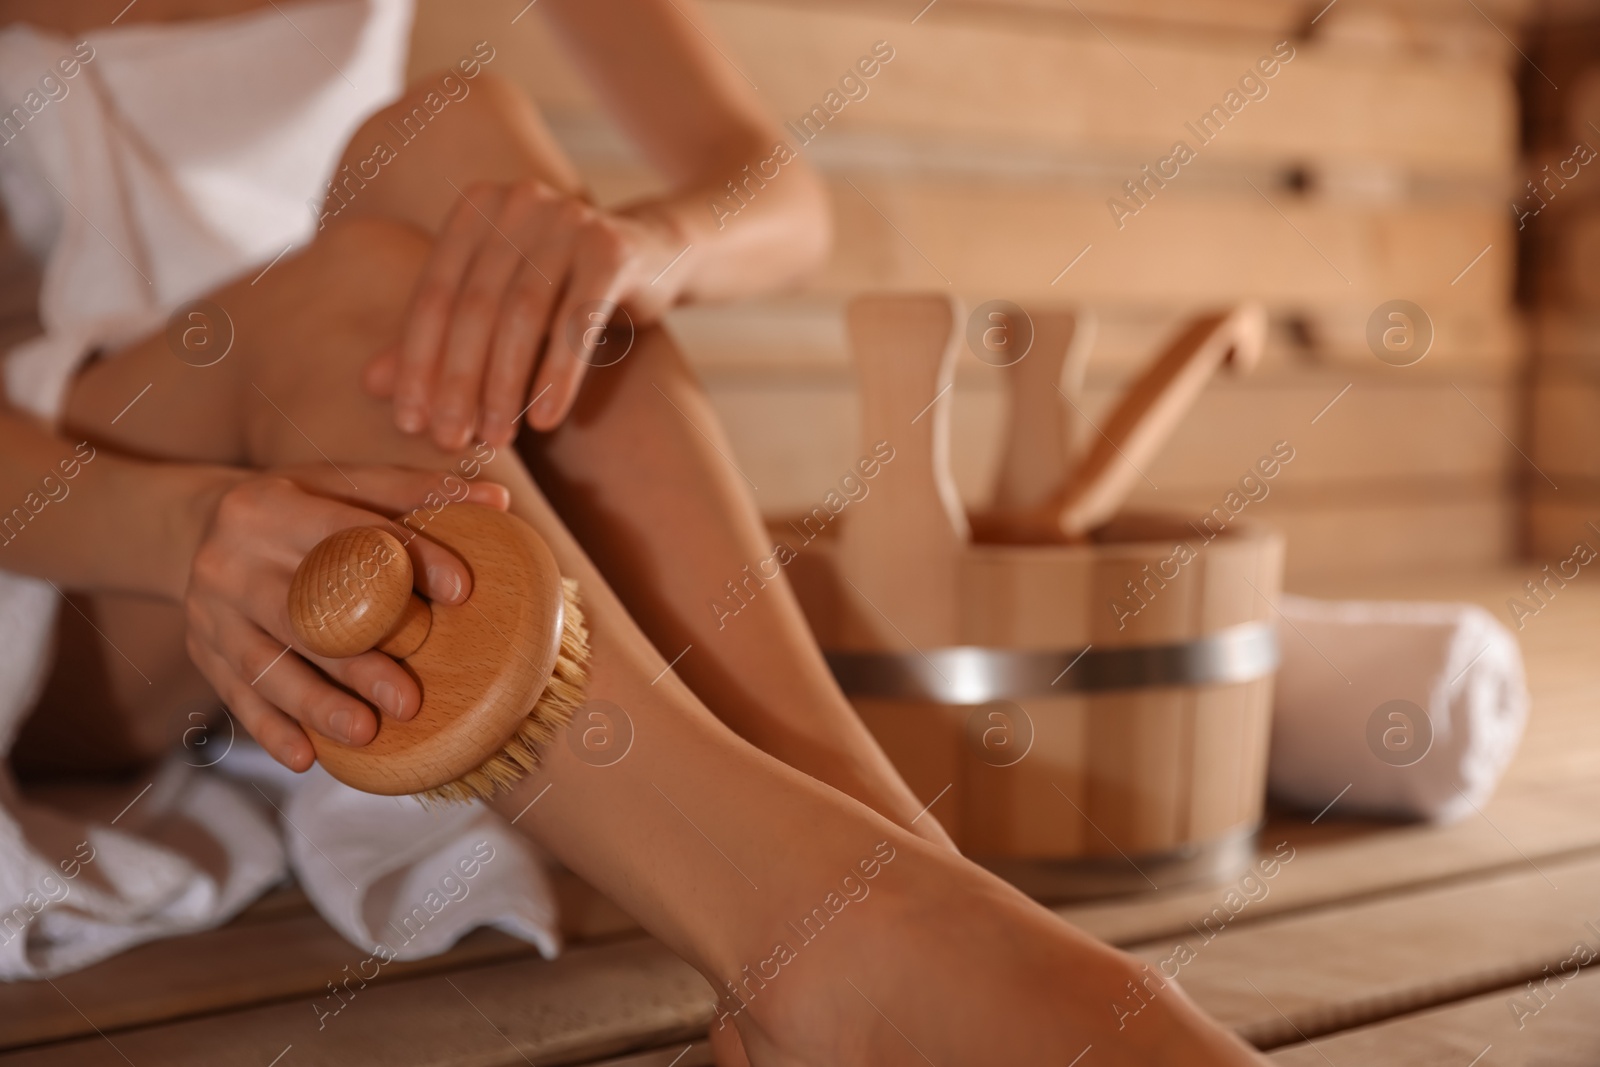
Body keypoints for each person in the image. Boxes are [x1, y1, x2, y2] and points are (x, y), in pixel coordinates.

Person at [0, 0, 1266, 1062]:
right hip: (78, 552)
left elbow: (774, 191)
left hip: (386, 486)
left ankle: (896, 876)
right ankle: (860, 936)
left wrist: (651, 244)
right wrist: (189, 527)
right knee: (354, 293)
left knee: (461, 147)